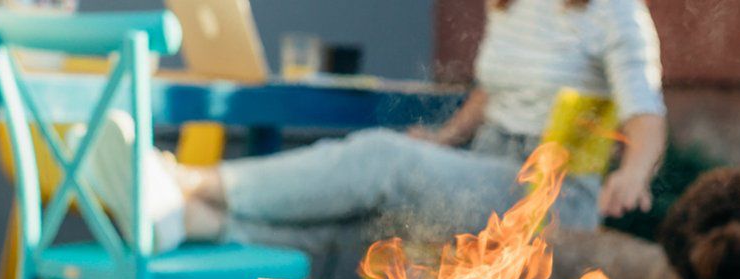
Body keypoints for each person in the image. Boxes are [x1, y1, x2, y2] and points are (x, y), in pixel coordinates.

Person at [85, 0, 667, 252]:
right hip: (486, 164)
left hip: (549, 196)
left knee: (384, 160)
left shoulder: (615, 11)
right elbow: (493, 90)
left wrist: (635, 170)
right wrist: (446, 140)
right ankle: (190, 221)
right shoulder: (508, 6)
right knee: (372, 212)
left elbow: (646, 110)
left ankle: (185, 181)